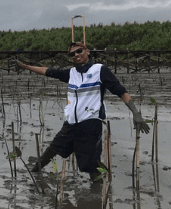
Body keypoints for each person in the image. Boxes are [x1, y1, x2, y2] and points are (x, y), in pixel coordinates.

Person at [17, 42, 150, 181]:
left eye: (79, 51)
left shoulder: (100, 70)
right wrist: (26, 67)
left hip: (91, 122)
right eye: (72, 54)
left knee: (90, 163)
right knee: (52, 149)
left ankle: (99, 190)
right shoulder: (71, 73)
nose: (76, 55)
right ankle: (32, 176)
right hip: (71, 123)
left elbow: (120, 91)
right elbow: (48, 71)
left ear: (87, 51)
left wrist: (136, 113)